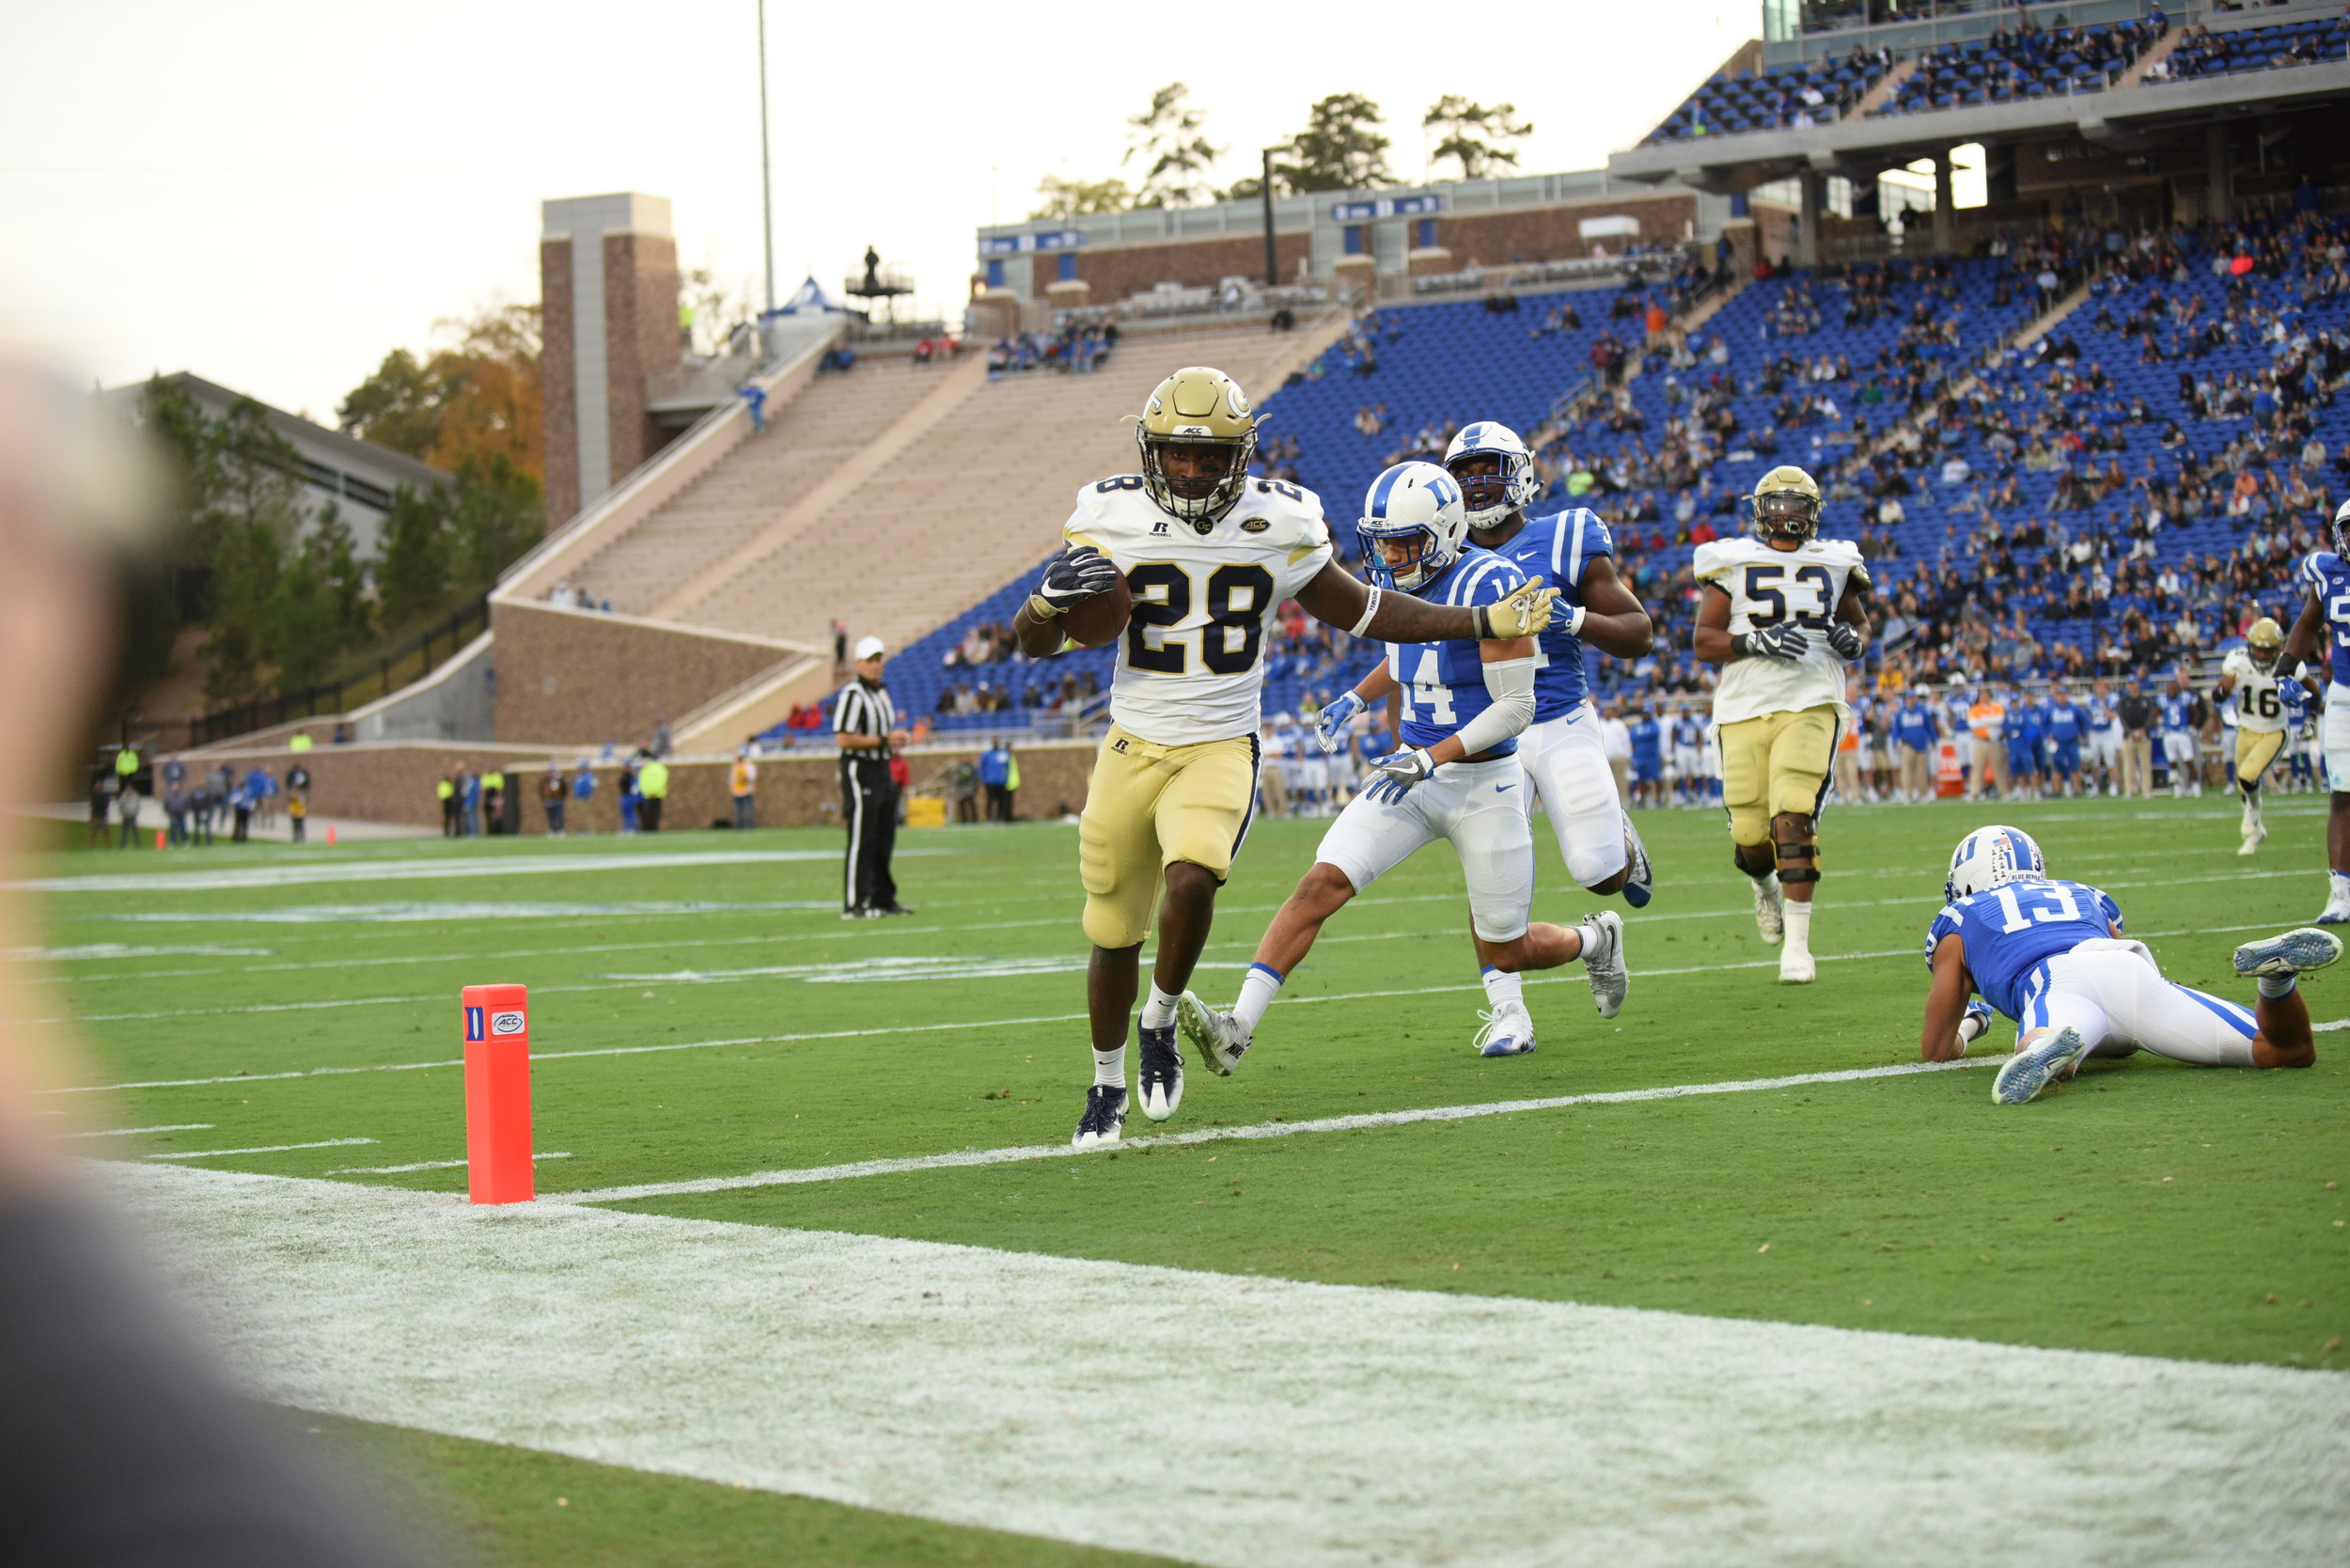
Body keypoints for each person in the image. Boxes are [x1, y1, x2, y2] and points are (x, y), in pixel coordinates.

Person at [1007, 367, 1559, 1148]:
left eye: (1210, 457)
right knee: (1112, 931)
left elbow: (1362, 609)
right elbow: (1034, 643)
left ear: (1243, 455)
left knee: (1193, 878)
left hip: (1222, 741)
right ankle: (1103, 1084)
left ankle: (1160, 1019)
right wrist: (1039, 606)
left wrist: (1476, 619)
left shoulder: (1281, 517)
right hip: (1131, 742)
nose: (1192, 472)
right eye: (1177, 456)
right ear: (1150, 451)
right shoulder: (1107, 514)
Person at [1184, 462, 1623, 1066]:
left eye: (1402, 542)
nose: (1389, 555)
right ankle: (1237, 1029)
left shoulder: (1493, 584)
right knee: (1321, 884)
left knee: (1509, 948)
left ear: (1444, 531)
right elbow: (1412, 652)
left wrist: (1431, 756)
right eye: (1381, 541)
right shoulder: (1405, 583)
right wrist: (1356, 697)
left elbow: (1517, 708)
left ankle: (1594, 939)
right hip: (1410, 775)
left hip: (1482, 782)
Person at [1919, 824, 2334, 1105]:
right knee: (2286, 1049)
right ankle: (2277, 981)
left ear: (1966, 879)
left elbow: (1936, 1050)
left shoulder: (1960, 918)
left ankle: (2045, 1048)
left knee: (2048, 1040)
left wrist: (1974, 1024)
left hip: (2056, 978)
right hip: (2128, 969)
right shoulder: (2083, 893)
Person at [1426, 420, 1653, 907]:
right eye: (1465, 474)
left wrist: (1574, 619)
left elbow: (1639, 634)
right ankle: (1506, 982)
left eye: (1491, 469)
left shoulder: (1566, 536)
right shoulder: (1440, 555)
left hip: (1556, 717)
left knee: (1599, 873)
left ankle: (1624, 845)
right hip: (1488, 729)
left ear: (1523, 474)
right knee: (1493, 882)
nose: (1478, 483)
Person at [1691, 465, 1872, 985]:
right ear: (1760, 510)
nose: (1787, 514)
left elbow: (1859, 623)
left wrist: (1853, 640)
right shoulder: (1732, 560)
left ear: (1813, 513)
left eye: (1798, 505)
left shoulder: (1835, 561)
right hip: (1744, 705)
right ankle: (1765, 886)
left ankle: (1797, 948)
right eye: (1779, 504)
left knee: (1793, 813)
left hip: (1812, 698)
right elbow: (1704, 641)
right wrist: (1753, 641)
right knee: (1750, 836)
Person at [2216, 618, 2311, 855]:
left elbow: (2314, 691)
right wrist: (2223, 689)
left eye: (2267, 650)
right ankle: (2257, 831)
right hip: (2245, 729)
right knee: (2243, 784)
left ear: (2278, 649)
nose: (2261, 654)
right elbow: (2218, 695)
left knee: (2248, 776)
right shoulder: (2238, 661)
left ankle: (2252, 820)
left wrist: (2310, 717)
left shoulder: (2288, 665)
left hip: (2274, 732)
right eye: (2258, 648)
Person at [835, 635, 913, 917]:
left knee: (883, 836)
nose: (876, 665)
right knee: (863, 836)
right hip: (860, 769)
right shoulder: (853, 695)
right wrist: (883, 740)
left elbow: (882, 737)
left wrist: (893, 740)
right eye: (870, 660)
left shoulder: (881, 694)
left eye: (879, 659)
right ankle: (855, 903)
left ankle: (882, 897)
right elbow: (843, 739)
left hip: (882, 768)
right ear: (857, 663)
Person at [1894, 690, 1938, 802]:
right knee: (1907, 771)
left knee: (1922, 771)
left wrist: (1933, 741)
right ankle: (1907, 794)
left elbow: (1929, 727)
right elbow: (1896, 729)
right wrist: (1895, 742)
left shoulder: (1922, 711)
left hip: (1922, 744)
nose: (1911, 700)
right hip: (1907, 744)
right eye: (1909, 698)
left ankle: (1923, 793)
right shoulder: (1901, 713)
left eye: (1912, 698)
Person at [2158, 673, 2199, 798]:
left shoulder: (2185, 698)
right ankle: (2177, 788)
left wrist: (2192, 726)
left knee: (2188, 760)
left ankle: (2196, 786)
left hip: (2182, 733)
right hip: (2169, 734)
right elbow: (2154, 714)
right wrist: (2159, 727)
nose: (2171, 691)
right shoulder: (2163, 700)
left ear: (2178, 689)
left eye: (2173, 689)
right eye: (2169, 689)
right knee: (2172, 762)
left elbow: (2196, 713)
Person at [2116, 678, 2156, 799]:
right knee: (2129, 765)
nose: (2132, 686)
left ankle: (2146, 790)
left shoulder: (2146, 700)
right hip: (2129, 737)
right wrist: (2130, 732)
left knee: (2145, 764)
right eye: (2130, 684)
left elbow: (2150, 716)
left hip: (2144, 736)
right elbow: (2122, 719)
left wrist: (2143, 730)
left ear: (2138, 684)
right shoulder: (2123, 701)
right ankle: (2130, 789)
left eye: (2134, 684)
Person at [978, 737, 1012, 822]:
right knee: (990, 800)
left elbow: (1008, 767)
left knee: (1002, 801)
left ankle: (1000, 817)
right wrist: (983, 778)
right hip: (990, 782)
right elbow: (982, 767)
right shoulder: (987, 754)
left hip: (1001, 781)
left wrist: (1006, 778)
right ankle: (989, 817)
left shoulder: (1004, 754)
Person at [636, 752, 668, 832]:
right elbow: (662, 780)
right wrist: (654, 790)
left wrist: (648, 791)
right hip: (656, 793)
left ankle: (649, 828)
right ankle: (652, 828)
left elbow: (642, 781)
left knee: (650, 811)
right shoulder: (660, 768)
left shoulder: (647, 768)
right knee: (654, 812)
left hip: (650, 794)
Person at [728, 745, 757, 830]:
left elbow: (752, 778)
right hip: (737, 791)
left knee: (748, 810)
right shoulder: (735, 766)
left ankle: (751, 827)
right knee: (739, 811)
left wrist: (746, 780)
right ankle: (739, 827)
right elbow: (731, 779)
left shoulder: (749, 766)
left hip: (746, 790)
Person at [540, 760, 568, 836]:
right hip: (548, 801)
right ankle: (552, 829)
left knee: (559, 815)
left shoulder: (559, 779)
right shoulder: (545, 780)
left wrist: (562, 797)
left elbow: (564, 788)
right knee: (550, 816)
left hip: (557, 800)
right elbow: (541, 790)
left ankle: (561, 829)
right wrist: (544, 799)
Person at [571, 759, 597, 833]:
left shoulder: (588, 775)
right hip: (579, 798)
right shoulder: (579, 776)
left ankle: (590, 830)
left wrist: (587, 795)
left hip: (585, 798)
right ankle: (585, 829)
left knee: (587, 815)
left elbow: (589, 787)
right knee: (582, 815)